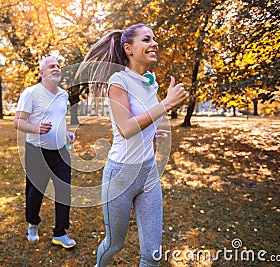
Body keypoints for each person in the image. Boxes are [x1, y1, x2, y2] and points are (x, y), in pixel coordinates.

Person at [77, 24, 189, 266]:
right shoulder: (118, 81)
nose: (154, 44)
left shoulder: (151, 81)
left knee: (152, 254)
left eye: (154, 38)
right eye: (146, 39)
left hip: (148, 173)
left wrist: (151, 132)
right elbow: (126, 128)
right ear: (129, 49)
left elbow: (144, 119)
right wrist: (167, 104)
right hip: (120, 175)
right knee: (114, 244)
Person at [13, 56, 76, 248]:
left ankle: (60, 232)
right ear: (42, 73)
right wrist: (36, 128)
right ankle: (33, 223)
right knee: (35, 193)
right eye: (51, 66)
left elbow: (59, 119)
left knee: (64, 190)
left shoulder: (63, 95)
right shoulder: (31, 93)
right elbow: (17, 121)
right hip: (37, 151)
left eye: (58, 66)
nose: (56, 68)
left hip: (60, 152)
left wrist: (66, 133)